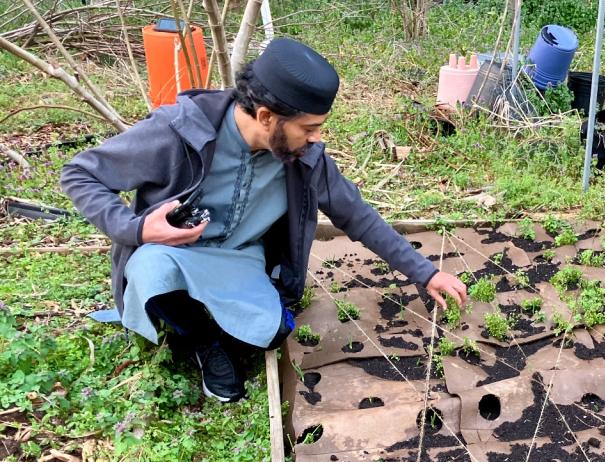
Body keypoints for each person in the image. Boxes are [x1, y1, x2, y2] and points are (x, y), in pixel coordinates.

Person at [61, 37, 467, 403]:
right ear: (267, 116)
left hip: (240, 259)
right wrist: (136, 228)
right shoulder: (179, 130)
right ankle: (205, 342)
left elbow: (357, 215)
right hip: (174, 253)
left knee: (274, 333)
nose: (316, 139)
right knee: (150, 271)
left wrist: (426, 273)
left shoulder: (305, 159)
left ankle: (218, 324)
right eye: (309, 128)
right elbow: (79, 174)